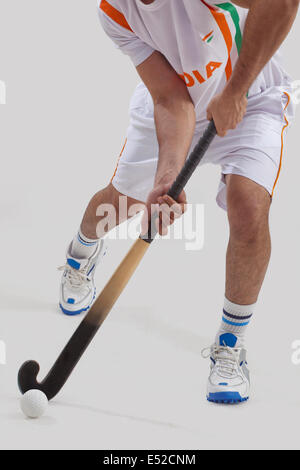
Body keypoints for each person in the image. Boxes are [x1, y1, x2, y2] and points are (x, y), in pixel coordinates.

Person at [59, 0, 298, 404]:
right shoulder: (115, 12)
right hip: (176, 107)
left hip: (250, 96)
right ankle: (80, 254)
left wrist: (236, 90)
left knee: (248, 207)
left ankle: (230, 344)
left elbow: (282, 1)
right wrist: (167, 179)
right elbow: (171, 99)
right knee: (120, 204)